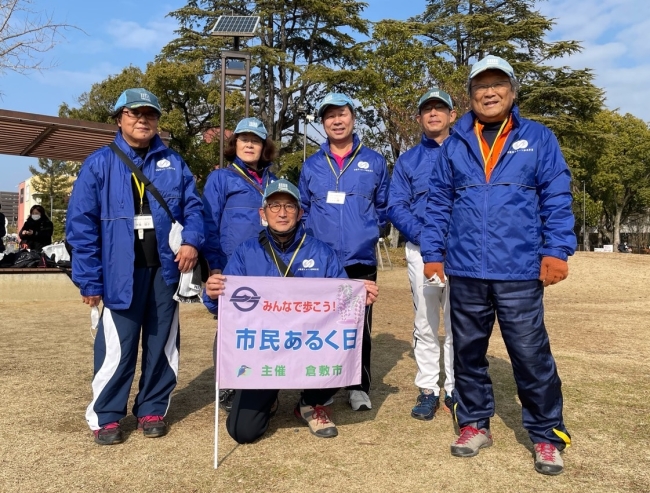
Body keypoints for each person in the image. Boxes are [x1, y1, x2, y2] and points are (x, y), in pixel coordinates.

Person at [421, 55, 575, 475]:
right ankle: (474, 423)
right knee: (468, 354)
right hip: (466, 269)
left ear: (512, 90)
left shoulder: (538, 138)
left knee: (529, 355)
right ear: (469, 95)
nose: (489, 92)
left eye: (497, 84)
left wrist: (557, 250)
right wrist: (433, 253)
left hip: (520, 270)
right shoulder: (454, 144)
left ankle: (547, 436)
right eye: (480, 86)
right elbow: (438, 204)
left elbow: (556, 198)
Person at [66, 88, 204, 445]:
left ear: (157, 121)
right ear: (119, 119)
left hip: (165, 272)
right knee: (116, 347)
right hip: (118, 274)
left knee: (161, 344)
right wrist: (89, 280)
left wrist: (191, 241)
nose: (143, 120)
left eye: (150, 115)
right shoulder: (99, 163)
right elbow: (80, 226)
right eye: (134, 114)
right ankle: (107, 416)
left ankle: (152, 408)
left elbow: (194, 209)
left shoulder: (174, 162)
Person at [205, 179, 379, 443]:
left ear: (300, 213)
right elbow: (227, 306)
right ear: (262, 214)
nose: (282, 213)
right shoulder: (245, 252)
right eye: (274, 206)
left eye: (289, 206)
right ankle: (268, 396)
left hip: (309, 343)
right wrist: (213, 294)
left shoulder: (322, 253)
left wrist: (360, 296)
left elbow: (343, 300)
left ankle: (312, 402)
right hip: (263, 351)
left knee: (340, 344)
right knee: (243, 432)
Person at [298, 92, 389, 412]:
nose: (336, 121)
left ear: (353, 117)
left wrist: (366, 232)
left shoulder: (375, 161)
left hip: (359, 259)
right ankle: (320, 385)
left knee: (358, 327)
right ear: (323, 123)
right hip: (319, 261)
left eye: (342, 114)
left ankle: (358, 387)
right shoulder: (311, 165)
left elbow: (384, 206)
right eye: (329, 116)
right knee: (319, 326)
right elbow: (303, 209)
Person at [387, 88, 457, 421]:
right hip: (420, 252)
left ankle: (457, 388)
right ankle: (428, 388)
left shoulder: (467, 152)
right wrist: (425, 238)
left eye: (439, 108)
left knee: (459, 322)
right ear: (418, 118)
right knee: (425, 322)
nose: (433, 114)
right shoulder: (408, 159)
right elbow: (396, 205)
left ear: (451, 115)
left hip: (461, 252)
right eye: (427, 109)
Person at [201, 117, 278, 412]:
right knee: (232, 328)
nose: (249, 145)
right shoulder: (221, 178)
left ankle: (264, 387)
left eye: (256, 140)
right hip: (233, 268)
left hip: (271, 267)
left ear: (264, 147)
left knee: (267, 329)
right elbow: (209, 224)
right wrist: (215, 266)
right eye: (244, 140)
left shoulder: (274, 181)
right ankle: (228, 385)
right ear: (235, 145)